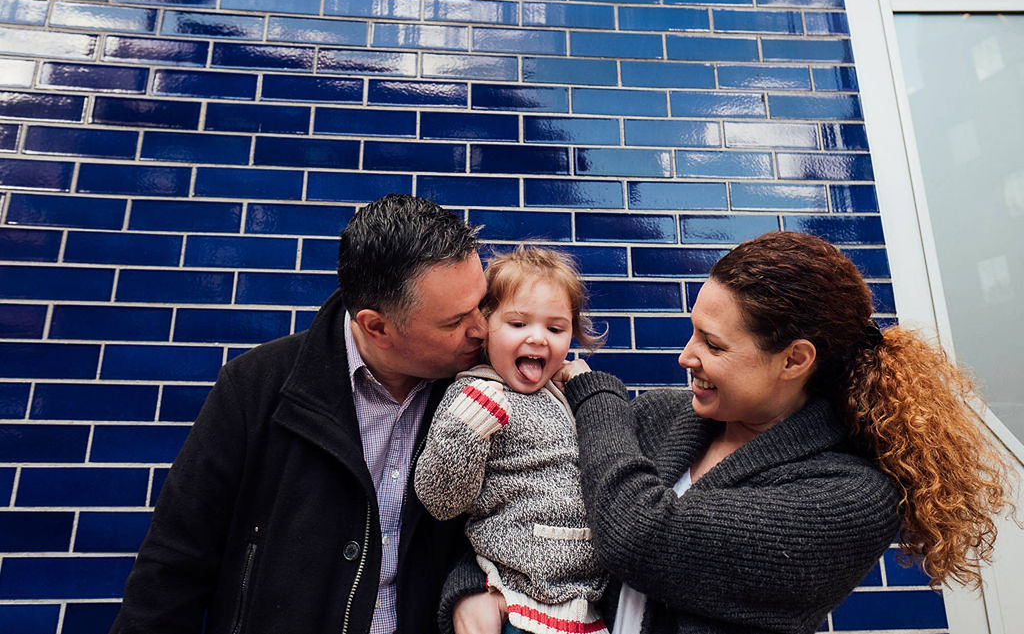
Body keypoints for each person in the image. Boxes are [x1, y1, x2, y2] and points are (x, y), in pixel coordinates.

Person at [448, 231, 1015, 634]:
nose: (685, 356)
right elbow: (536, 508)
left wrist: (595, 395)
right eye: (693, 331)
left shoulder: (849, 498)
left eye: (714, 345)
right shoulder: (663, 417)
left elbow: (638, 536)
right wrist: (472, 585)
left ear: (794, 360)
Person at [110, 194, 489, 634]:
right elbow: (173, 567)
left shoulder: (489, 393)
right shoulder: (254, 388)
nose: (481, 328)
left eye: (482, 303)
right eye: (454, 321)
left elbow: (529, 518)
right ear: (376, 326)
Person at [415, 246, 608, 634]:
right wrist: (467, 429)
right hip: (517, 604)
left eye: (555, 328)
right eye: (519, 324)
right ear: (486, 328)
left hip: (583, 605)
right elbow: (440, 499)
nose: (538, 338)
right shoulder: (476, 395)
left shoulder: (562, 394)